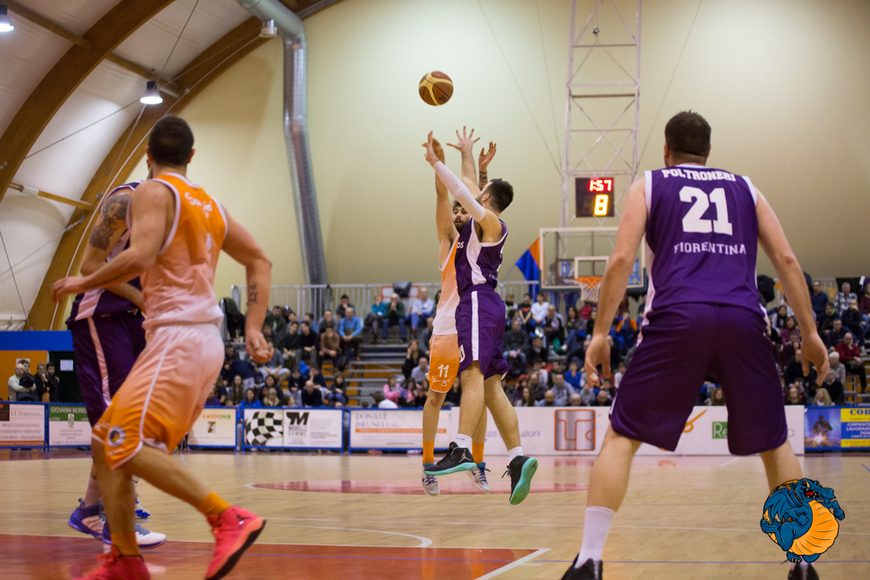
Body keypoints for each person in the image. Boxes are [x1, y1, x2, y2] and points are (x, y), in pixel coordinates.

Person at [562, 111, 829, 580]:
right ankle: (803, 562)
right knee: (775, 444)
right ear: (708, 151)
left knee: (621, 438)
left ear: (666, 150)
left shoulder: (649, 184)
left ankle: (589, 558)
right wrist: (809, 333)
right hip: (743, 319)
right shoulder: (746, 188)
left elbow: (622, 259)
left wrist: (600, 333)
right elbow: (786, 260)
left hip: (677, 317)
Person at [52, 116, 272, 580]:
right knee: (106, 440)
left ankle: (226, 517)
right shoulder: (210, 203)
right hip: (200, 342)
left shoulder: (152, 190)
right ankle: (126, 560)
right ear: (191, 156)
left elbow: (140, 255)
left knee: (121, 442)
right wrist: (253, 327)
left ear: (148, 156)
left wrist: (82, 282)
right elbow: (259, 259)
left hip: (178, 339)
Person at [422, 128, 537, 506]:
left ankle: (460, 448)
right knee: (490, 387)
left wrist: (436, 163)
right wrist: (468, 154)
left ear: (486, 198)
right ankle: (518, 458)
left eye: (480, 192)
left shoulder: (491, 222)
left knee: (470, 374)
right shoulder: (481, 221)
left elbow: (462, 190)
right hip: (487, 307)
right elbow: (470, 184)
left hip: (477, 303)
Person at [62, 172, 165, 549]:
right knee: (117, 421)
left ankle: (92, 508)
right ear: (151, 162)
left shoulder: (171, 213)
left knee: (134, 418)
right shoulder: (124, 200)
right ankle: (115, 523)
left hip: (133, 322)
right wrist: (139, 298)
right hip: (102, 316)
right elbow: (89, 267)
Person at [419, 137, 491, 497]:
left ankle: (477, 465)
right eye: (458, 210)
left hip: (475, 327)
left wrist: (482, 170)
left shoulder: (483, 240)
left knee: (478, 398)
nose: (461, 213)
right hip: (448, 330)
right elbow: (442, 196)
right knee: (436, 396)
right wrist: (439, 163)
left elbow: (482, 201)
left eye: (466, 210)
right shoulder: (449, 240)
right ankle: (427, 466)